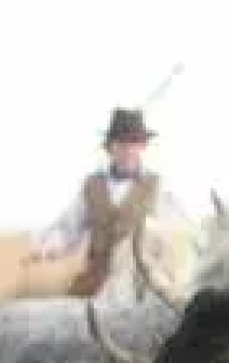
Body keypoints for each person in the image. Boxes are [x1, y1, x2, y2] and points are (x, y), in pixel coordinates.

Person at [27, 107, 192, 298]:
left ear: (143, 146)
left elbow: (180, 231)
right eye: (122, 142)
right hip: (97, 278)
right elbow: (67, 227)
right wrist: (48, 248)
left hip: (142, 280)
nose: (128, 149)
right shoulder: (91, 185)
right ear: (110, 146)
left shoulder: (159, 188)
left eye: (134, 142)